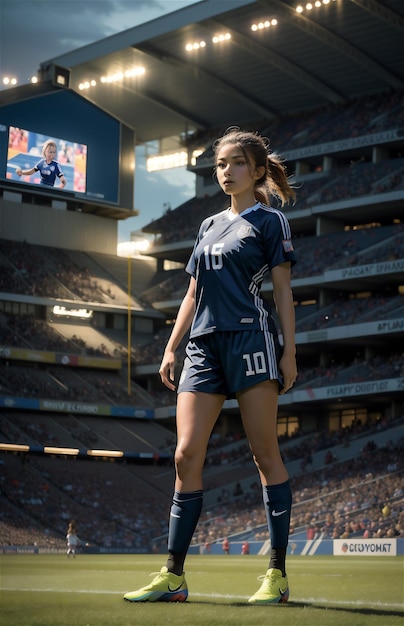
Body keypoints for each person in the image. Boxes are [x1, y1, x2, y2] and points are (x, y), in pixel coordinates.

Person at [124, 127, 297, 605]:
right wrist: (171, 346)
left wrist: (289, 351)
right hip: (202, 347)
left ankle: (277, 574)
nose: (227, 171)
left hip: (251, 339)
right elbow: (193, 292)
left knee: (265, 455)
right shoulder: (206, 226)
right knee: (184, 455)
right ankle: (174, 576)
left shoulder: (270, 222)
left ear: (258, 170)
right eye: (221, 164)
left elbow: (282, 293)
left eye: (237, 163)